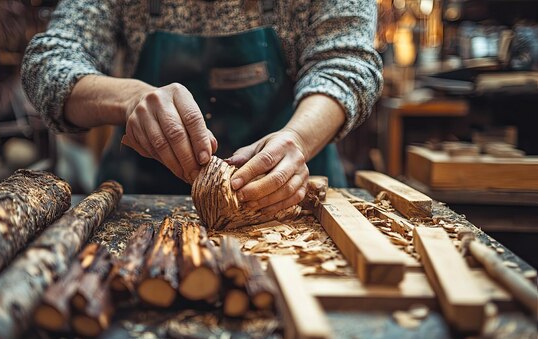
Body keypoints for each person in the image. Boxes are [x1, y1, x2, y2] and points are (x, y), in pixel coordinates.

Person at [22, 0, 382, 214]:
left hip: (291, 201)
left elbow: (347, 63)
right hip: (146, 205)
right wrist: (130, 97)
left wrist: (299, 138)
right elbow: (48, 63)